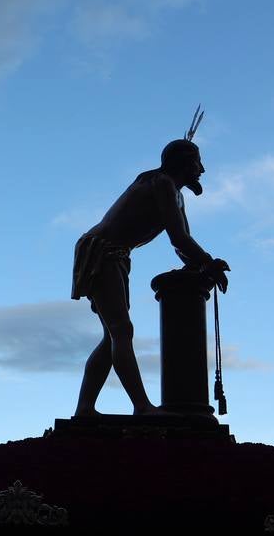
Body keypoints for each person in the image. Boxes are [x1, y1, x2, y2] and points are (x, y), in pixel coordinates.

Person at [72, 132, 229, 417]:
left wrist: (202, 264)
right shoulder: (161, 183)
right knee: (121, 330)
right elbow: (179, 239)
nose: (202, 170)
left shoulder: (175, 193)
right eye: (198, 163)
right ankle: (142, 406)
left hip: (116, 255)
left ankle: (85, 408)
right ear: (183, 163)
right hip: (102, 251)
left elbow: (182, 241)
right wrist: (208, 264)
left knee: (112, 336)